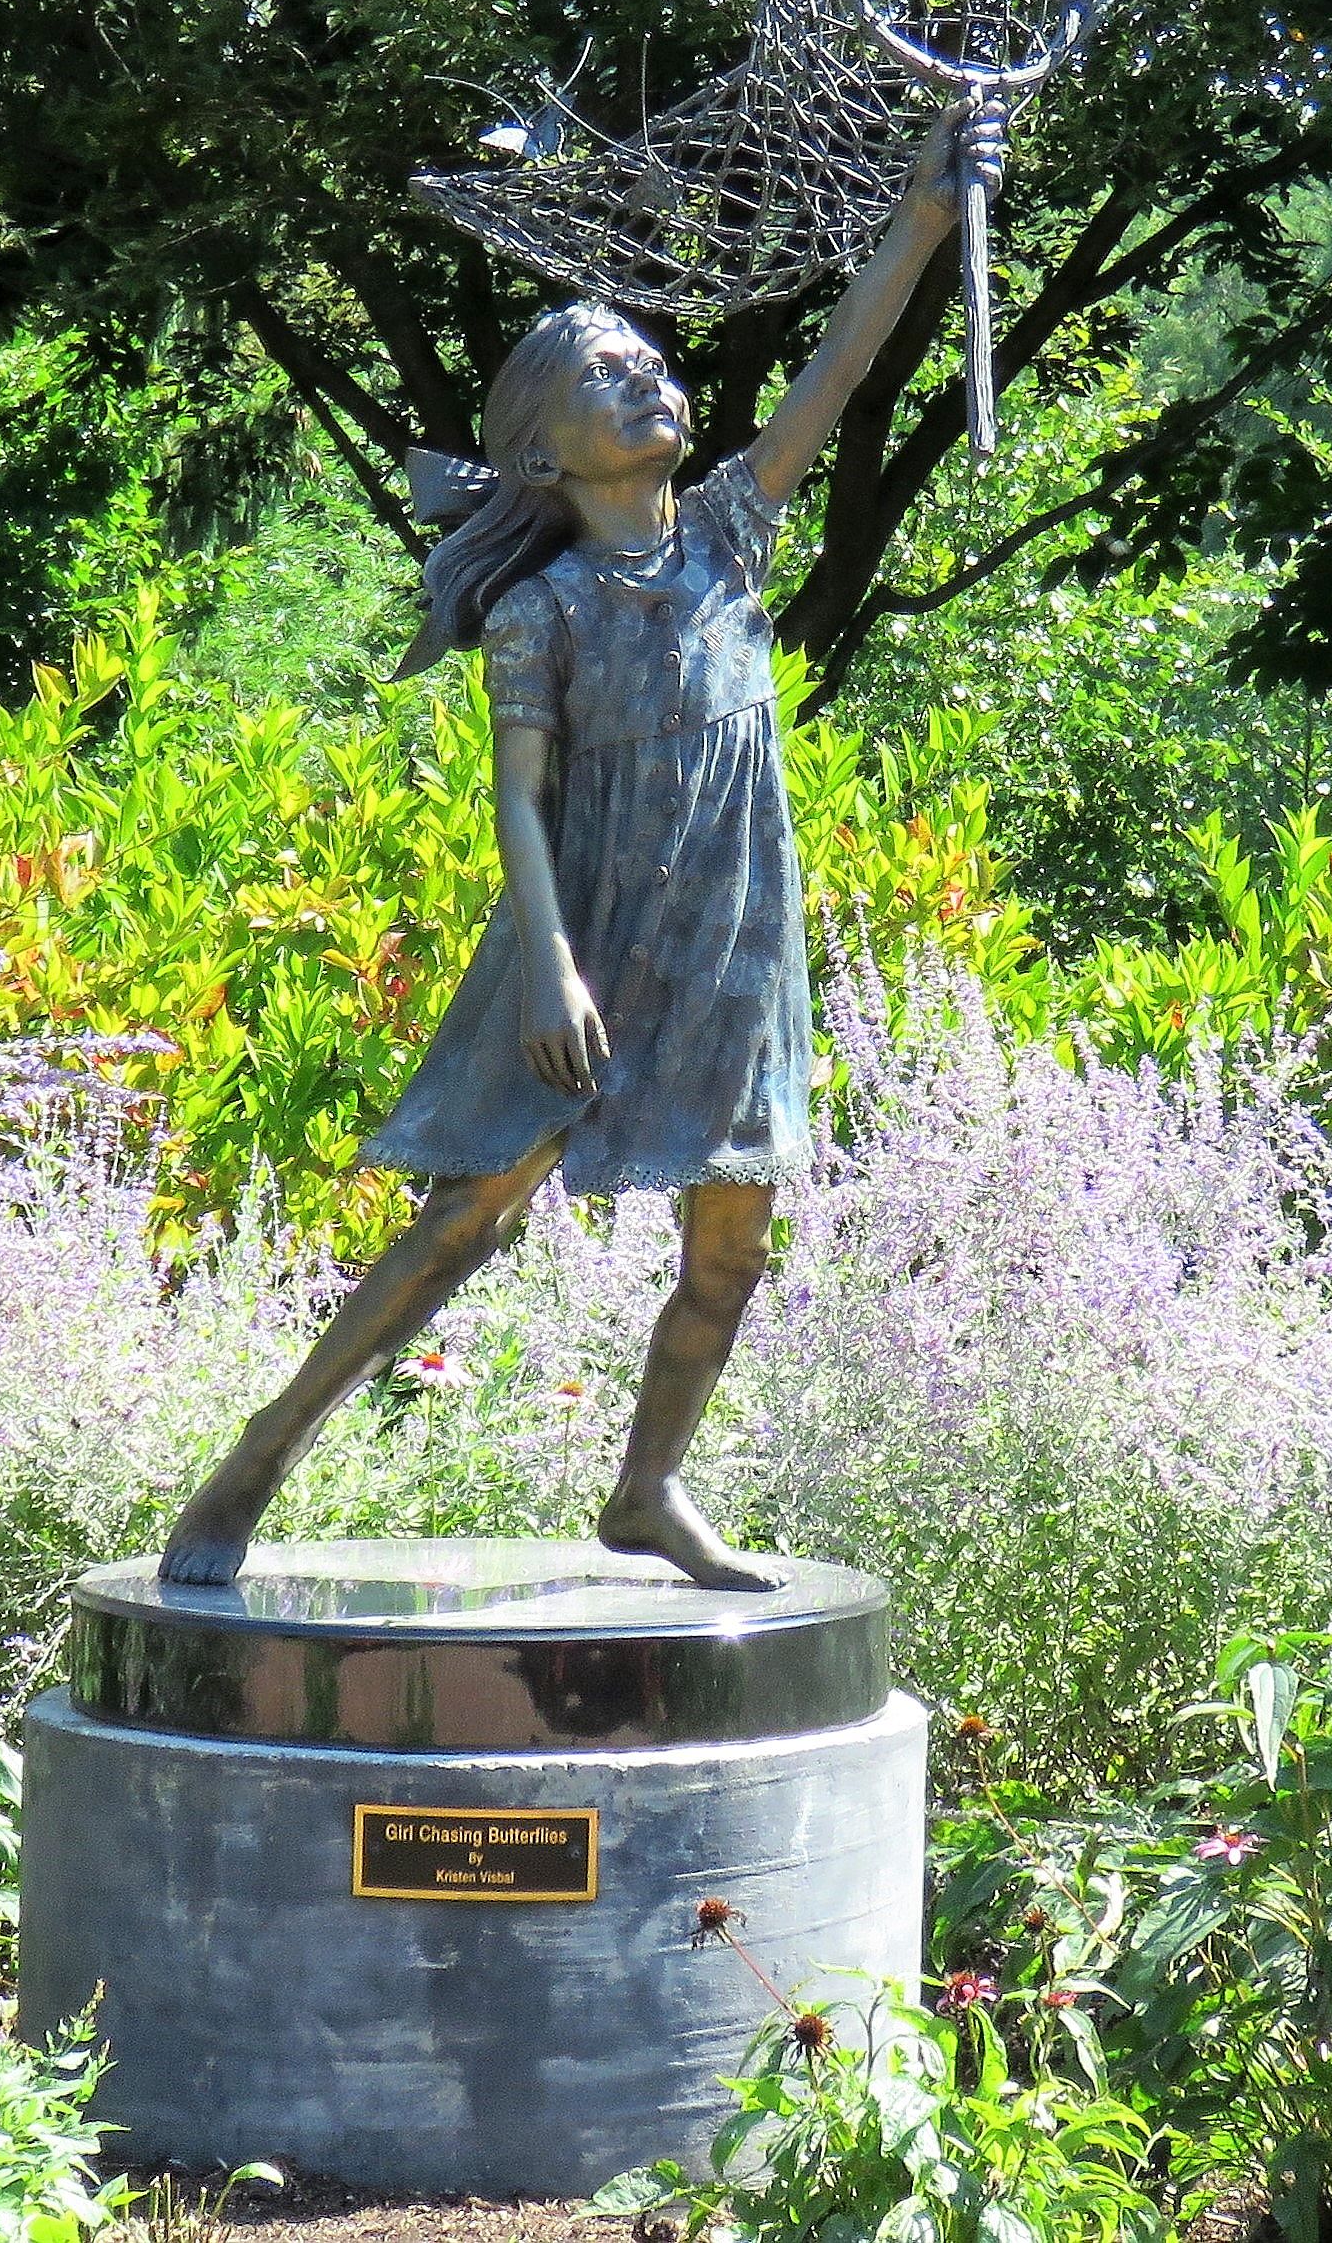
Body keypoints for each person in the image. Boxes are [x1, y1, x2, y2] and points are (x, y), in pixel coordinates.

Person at [156, 106, 1009, 1589]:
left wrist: (927, 221)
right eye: (610, 375)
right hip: (587, 936)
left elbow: (840, 366)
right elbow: (518, 803)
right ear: (546, 449)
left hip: (732, 933)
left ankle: (649, 1488)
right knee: (459, 1223)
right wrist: (549, 967)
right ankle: (253, 1463)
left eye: (653, 363)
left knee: (732, 1246)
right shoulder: (538, 611)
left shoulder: (729, 536)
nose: (652, 381)